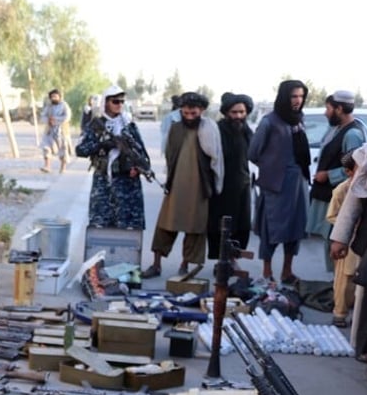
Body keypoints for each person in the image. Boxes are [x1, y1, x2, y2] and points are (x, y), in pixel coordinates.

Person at [140, 92, 224, 279]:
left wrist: (216, 186)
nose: (189, 117)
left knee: (194, 229)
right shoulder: (175, 128)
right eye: (185, 113)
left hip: (199, 187)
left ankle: (185, 265)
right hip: (176, 184)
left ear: (201, 111)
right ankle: (156, 265)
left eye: (193, 113)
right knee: (165, 225)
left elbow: (216, 160)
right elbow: (170, 156)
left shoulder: (209, 128)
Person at [248, 79, 311, 285]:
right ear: (285, 97)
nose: (298, 100)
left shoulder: (298, 120)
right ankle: (267, 273)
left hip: (298, 184)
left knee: (295, 229)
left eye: (301, 96)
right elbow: (253, 152)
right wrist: (273, 166)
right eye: (294, 96)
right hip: (275, 186)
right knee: (271, 229)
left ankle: (287, 271)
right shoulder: (269, 122)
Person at [306, 90, 367, 272]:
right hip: (329, 195)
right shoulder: (337, 130)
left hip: (340, 198)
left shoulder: (352, 135)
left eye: (328, 108)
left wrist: (329, 175)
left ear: (339, 109)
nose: (326, 113)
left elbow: (357, 170)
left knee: (336, 246)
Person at [76, 84, 150, 231]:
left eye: (122, 101)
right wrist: (103, 145)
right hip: (103, 182)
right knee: (100, 227)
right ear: (106, 102)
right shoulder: (96, 125)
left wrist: (138, 168)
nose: (119, 105)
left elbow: (143, 156)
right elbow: (81, 150)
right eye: (115, 101)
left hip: (127, 185)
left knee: (129, 229)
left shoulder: (129, 126)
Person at [208, 92, 255, 264]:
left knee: (241, 225)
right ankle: (223, 261)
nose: (238, 116)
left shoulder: (246, 131)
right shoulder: (218, 130)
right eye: (234, 112)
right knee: (222, 226)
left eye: (242, 112)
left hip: (242, 185)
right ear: (227, 113)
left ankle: (233, 259)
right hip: (222, 187)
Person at [327, 151, 359, 328]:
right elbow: (332, 216)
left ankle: (359, 314)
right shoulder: (341, 190)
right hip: (346, 240)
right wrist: (348, 228)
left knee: (360, 280)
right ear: (349, 172)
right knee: (343, 281)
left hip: (362, 241)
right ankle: (339, 313)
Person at [39, 88, 72, 173]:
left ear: (59, 97)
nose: (54, 98)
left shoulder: (64, 105)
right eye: (52, 96)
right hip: (50, 130)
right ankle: (47, 166)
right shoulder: (49, 106)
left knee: (63, 149)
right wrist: (48, 120)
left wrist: (56, 120)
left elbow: (67, 117)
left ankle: (63, 168)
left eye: (55, 96)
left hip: (61, 131)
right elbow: (43, 116)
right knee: (46, 147)